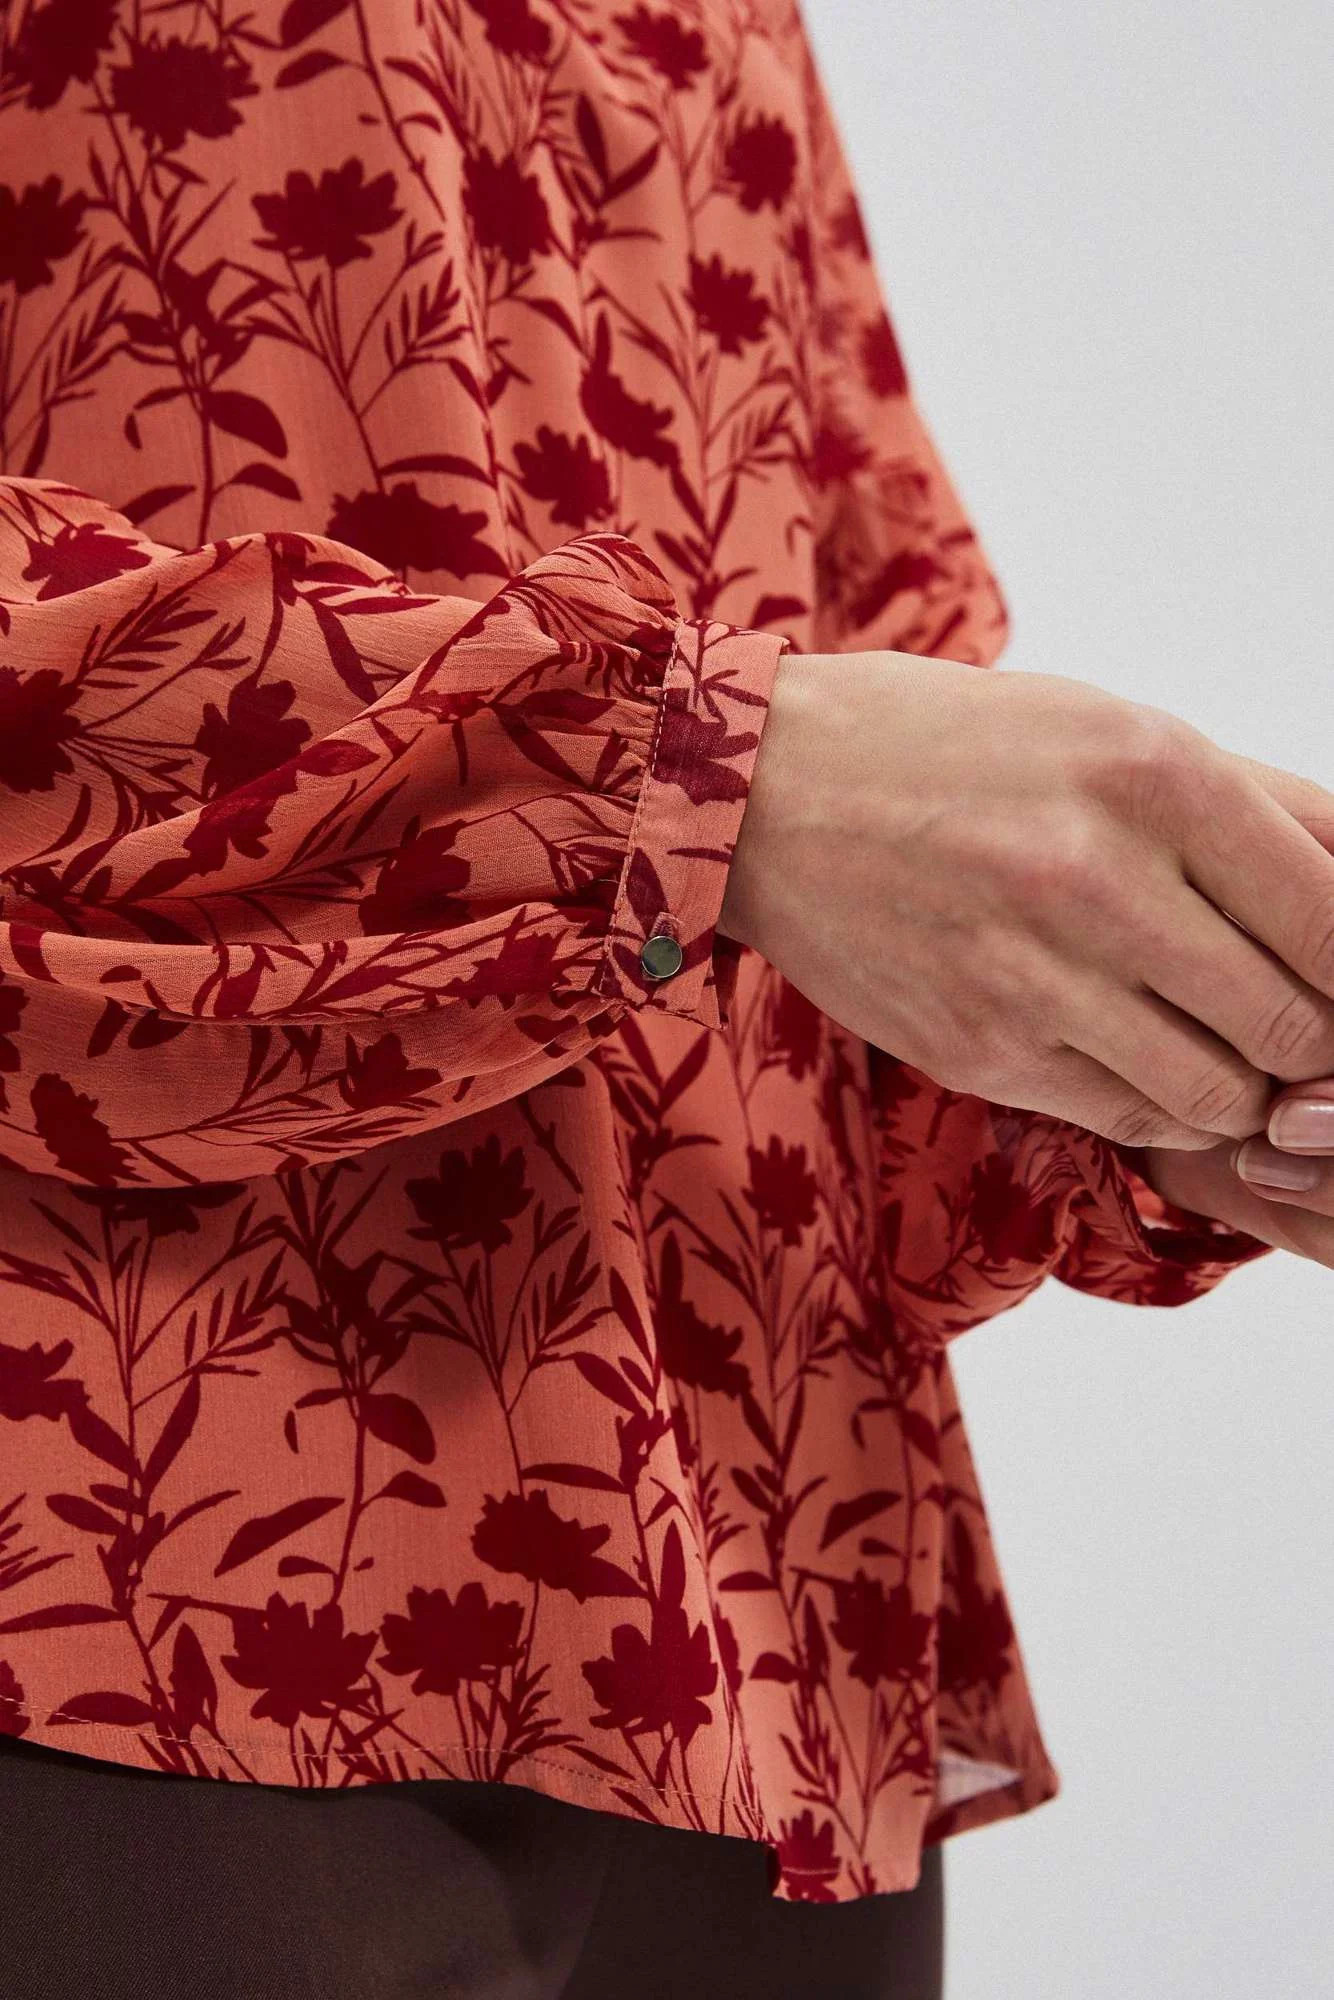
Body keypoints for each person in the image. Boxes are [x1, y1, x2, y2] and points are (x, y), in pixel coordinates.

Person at [1, 2, 1332, 1994]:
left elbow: (848, 775)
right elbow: (767, 771)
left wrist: (1178, 1056)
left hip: (757, 1602)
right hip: (123, 1546)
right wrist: (699, 768)